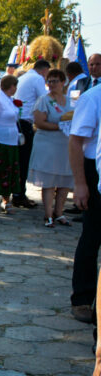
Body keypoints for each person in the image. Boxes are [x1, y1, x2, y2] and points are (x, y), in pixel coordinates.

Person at [69, 78, 101, 323]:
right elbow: (76, 141)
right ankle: (82, 298)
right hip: (93, 170)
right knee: (92, 236)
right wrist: (80, 183)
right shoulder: (92, 97)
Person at [28, 68, 74, 227]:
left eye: (55, 81)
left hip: (65, 145)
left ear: (63, 82)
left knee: (65, 180)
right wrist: (60, 126)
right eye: (49, 81)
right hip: (48, 144)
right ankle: (48, 214)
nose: (52, 84)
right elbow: (39, 122)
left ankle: (59, 212)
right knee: (49, 181)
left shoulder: (70, 100)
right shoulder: (43, 100)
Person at [12, 58, 52, 208]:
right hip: (25, 123)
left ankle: (18, 193)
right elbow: (44, 99)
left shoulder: (24, 77)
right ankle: (19, 195)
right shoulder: (37, 79)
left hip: (18, 121)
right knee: (24, 161)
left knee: (20, 160)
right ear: (44, 70)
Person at [0, 74, 21, 214]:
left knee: (9, 171)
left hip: (12, 141)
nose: (16, 89)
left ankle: (6, 200)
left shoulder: (10, 100)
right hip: (0, 140)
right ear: (10, 86)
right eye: (15, 86)